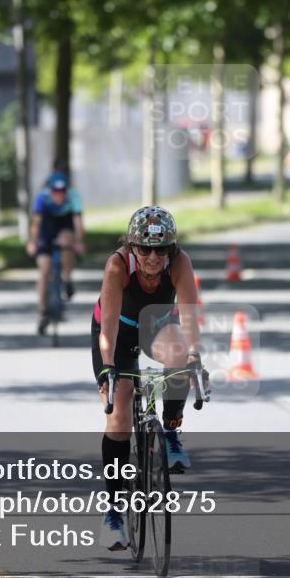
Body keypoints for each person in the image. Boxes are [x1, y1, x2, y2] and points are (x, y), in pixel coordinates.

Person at [92, 206, 203, 549]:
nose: (154, 257)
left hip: (156, 325)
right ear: (132, 247)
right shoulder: (117, 266)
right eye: (145, 249)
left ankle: (170, 432)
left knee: (181, 354)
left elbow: (188, 317)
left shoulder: (180, 263)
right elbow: (108, 327)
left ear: (171, 249)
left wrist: (195, 356)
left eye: (161, 249)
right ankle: (112, 509)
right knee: (120, 417)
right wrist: (109, 368)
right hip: (118, 333)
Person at [28, 171, 85, 335]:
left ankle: (67, 278)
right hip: (47, 231)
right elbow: (36, 224)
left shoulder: (73, 198)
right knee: (44, 270)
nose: (59, 195)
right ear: (50, 190)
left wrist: (79, 242)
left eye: (62, 192)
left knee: (67, 241)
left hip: (64, 228)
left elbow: (79, 224)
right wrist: (32, 242)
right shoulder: (42, 198)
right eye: (56, 192)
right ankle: (43, 312)